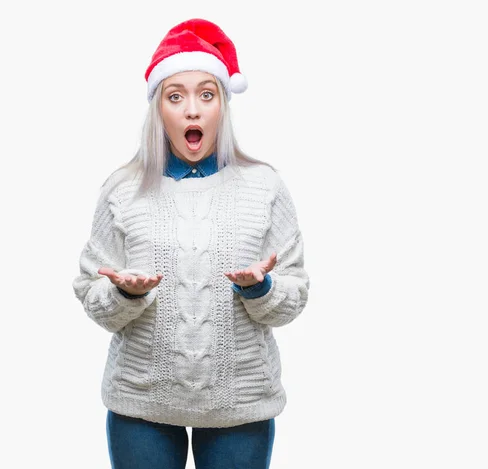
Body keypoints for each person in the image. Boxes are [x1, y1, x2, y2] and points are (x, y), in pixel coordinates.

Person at [72, 18, 310, 469]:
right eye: (175, 96)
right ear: (158, 109)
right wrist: (125, 293)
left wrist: (260, 289)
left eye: (207, 94)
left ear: (223, 103)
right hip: (141, 404)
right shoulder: (122, 189)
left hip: (239, 405)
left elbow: (294, 296)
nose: (192, 111)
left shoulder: (265, 186)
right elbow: (92, 295)